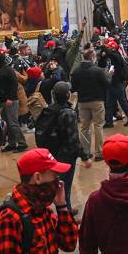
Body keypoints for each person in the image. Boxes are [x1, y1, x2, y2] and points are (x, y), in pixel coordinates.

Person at [37, 82, 93, 214]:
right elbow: (73, 139)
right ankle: (65, 210)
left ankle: (64, 207)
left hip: (51, 152)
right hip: (66, 154)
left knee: (56, 181)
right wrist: (85, 157)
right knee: (65, 183)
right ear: (68, 95)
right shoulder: (68, 113)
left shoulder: (49, 110)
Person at [70, 47, 111, 160]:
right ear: (92, 57)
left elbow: (73, 89)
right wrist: (109, 74)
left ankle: (85, 152)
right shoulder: (98, 70)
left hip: (82, 102)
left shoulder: (76, 71)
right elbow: (107, 84)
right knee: (98, 126)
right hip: (97, 100)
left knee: (84, 127)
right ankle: (99, 152)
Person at [0, 52, 27, 153]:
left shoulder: (8, 70)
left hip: (11, 100)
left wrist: (10, 98)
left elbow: (14, 84)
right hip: (1, 100)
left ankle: (22, 143)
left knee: (13, 123)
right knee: (6, 123)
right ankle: (11, 144)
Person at [103, 40, 128, 128]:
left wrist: (103, 47)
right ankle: (109, 122)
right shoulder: (110, 56)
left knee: (123, 102)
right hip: (111, 83)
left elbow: (112, 55)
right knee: (109, 103)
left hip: (117, 83)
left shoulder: (116, 56)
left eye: (109, 48)